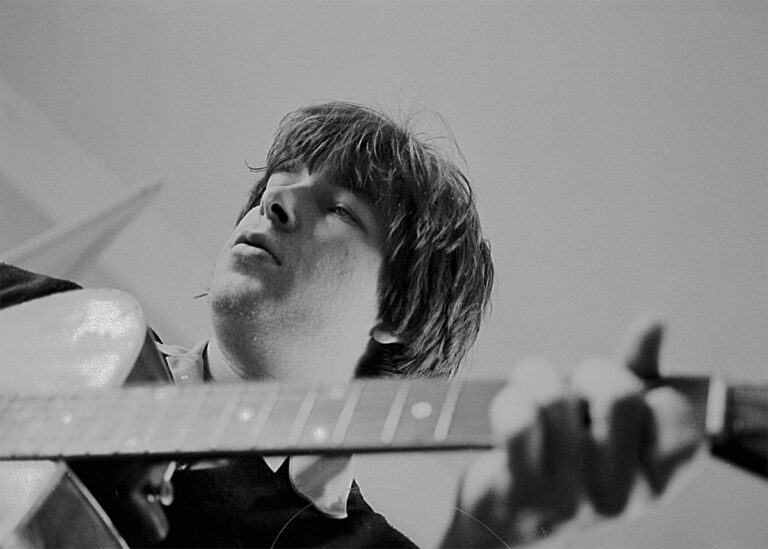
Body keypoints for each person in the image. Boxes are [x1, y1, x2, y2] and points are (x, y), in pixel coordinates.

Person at [0, 102, 701, 548]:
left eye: (342, 208)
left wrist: (488, 537)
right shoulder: (54, 318)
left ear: (395, 313)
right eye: (281, 177)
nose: (276, 199)